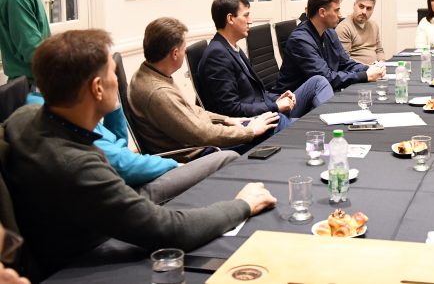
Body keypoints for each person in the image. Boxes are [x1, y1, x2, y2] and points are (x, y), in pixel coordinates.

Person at [1, 30, 276, 281]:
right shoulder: (76, 165)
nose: (118, 81)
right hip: (90, 257)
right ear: (97, 88)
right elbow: (171, 232)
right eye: (112, 74)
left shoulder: (27, 116)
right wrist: (242, 205)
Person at [129, 17, 279, 158]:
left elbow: (190, 110)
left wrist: (225, 119)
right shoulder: (159, 93)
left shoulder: (146, 73)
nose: (184, 52)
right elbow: (201, 134)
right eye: (183, 48)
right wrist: (249, 131)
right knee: (274, 127)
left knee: (274, 121)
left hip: (203, 140)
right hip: (201, 153)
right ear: (175, 53)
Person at [199, 0, 333, 120]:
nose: (250, 21)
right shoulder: (217, 55)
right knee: (311, 127)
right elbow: (231, 109)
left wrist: (279, 98)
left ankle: (328, 124)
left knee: (318, 82)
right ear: (230, 19)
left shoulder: (231, 48)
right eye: (246, 16)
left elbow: (259, 94)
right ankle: (329, 128)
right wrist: (275, 106)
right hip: (255, 124)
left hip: (267, 112)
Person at [275, 0, 385, 91]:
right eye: (336, 10)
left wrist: (369, 69)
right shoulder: (300, 40)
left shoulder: (330, 33)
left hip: (319, 93)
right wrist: (365, 75)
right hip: (293, 99)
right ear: (322, 12)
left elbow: (345, 63)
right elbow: (326, 77)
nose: (340, 15)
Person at [335, 0, 386, 65]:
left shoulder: (374, 25)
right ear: (354, 5)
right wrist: (368, 68)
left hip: (376, 69)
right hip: (359, 72)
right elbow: (345, 60)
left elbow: (379, 50)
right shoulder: (344, 28)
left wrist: (381, 62)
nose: (364, 12)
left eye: (368, 8)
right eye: (361, 6)